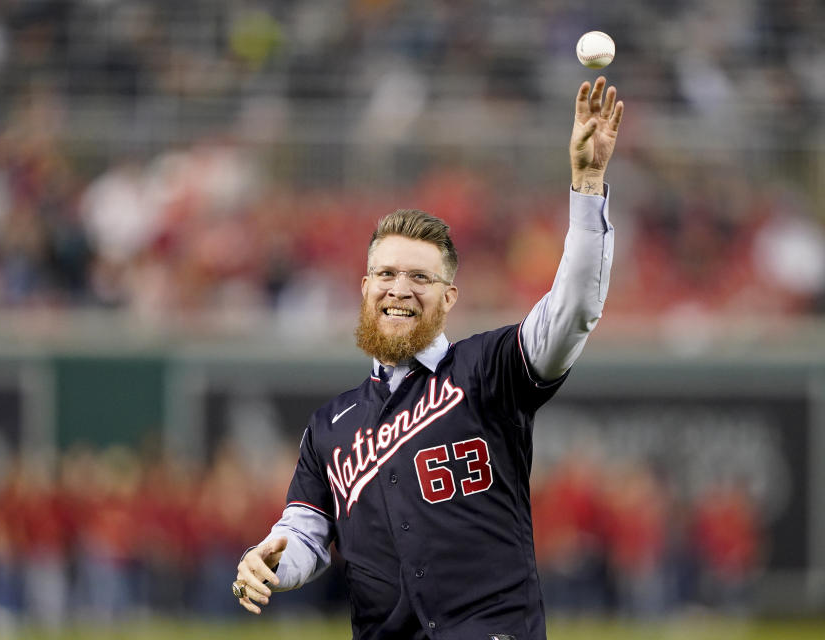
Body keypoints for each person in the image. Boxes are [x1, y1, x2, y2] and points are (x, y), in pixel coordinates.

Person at [233, 76, 624, 640]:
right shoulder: (329, 427)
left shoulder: (488, 370)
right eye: (387, 274)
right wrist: (271, 559)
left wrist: (587, 185)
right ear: (365, 287)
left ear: (449, 297)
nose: (400, 288)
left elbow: (575, 308)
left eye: (421, 276)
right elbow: (306, 534)